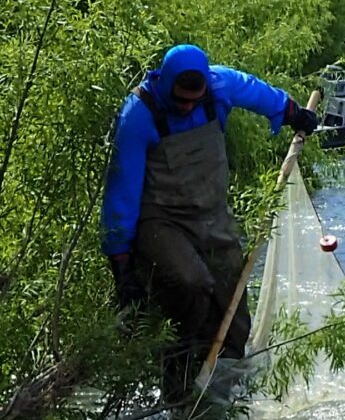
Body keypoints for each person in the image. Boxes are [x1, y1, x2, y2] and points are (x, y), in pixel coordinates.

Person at [103, 43, 318, 396]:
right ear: (165, 83)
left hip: (211, 217)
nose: (187, 106)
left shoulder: (219, 86)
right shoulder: (138, 115)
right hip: (161, 221)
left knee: (233, 315)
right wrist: (121, 266)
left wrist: (292, 111)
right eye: (181, 100)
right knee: (192, 284)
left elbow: (256, 91)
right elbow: (121, 194)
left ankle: (224, 405)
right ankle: (178, 386)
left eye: (194, 99)